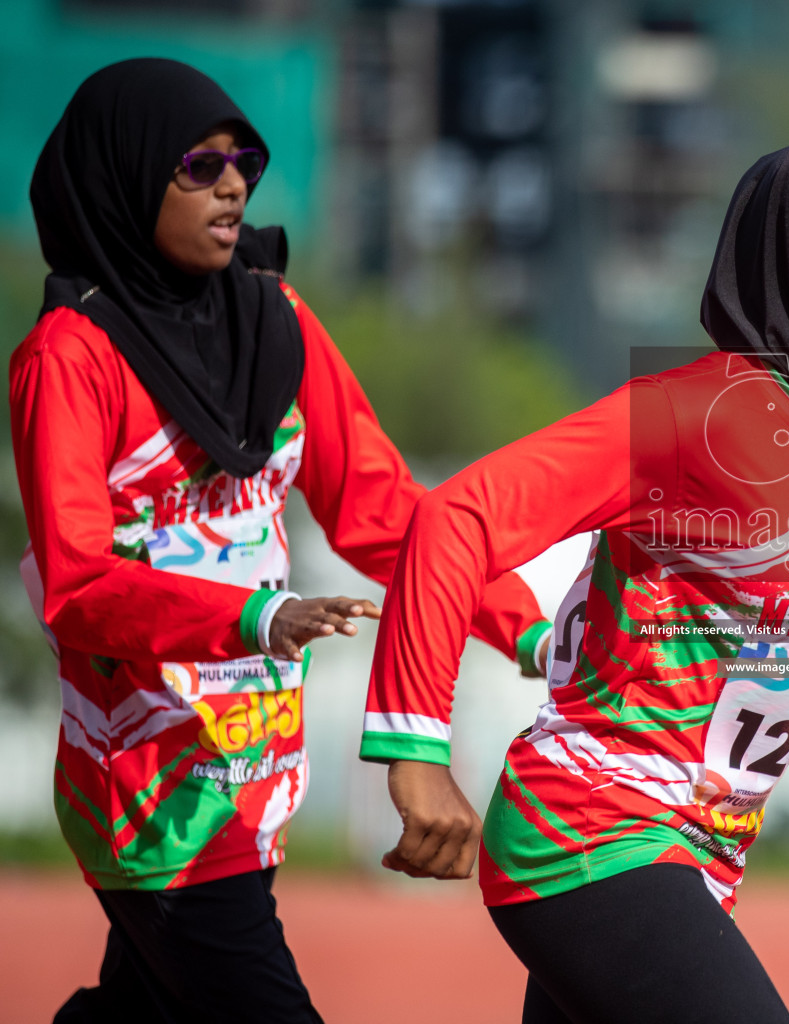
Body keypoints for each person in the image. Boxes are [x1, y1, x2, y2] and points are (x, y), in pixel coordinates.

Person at [364, 130, 789, 1023]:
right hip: (589, 832)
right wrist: (414, 753)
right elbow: (457, 519)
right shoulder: (685, 418)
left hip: (701, 853)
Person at [13, 59, 552, 1023]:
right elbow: (77, 585)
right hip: (153, 794)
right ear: (127, 176)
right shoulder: (70, 358)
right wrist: (256, 617)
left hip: (255, 765)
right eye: (199, 164)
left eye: (245, 163)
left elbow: (387, 515)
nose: (234, 185)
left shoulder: (277, 321)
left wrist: (536, 634)